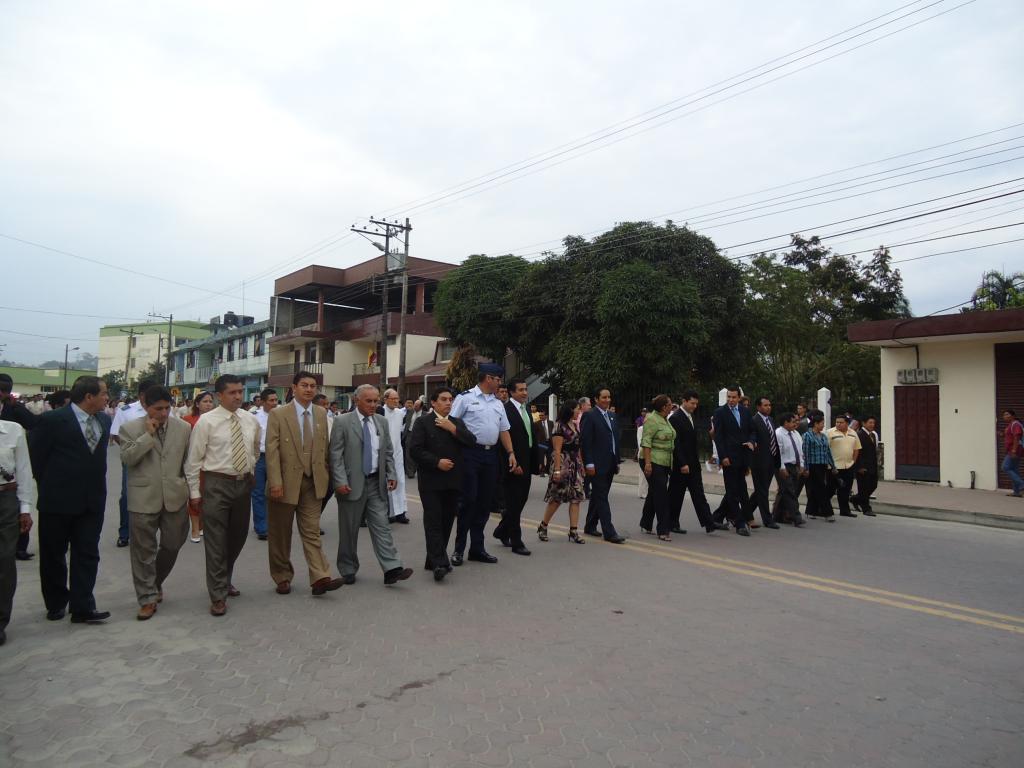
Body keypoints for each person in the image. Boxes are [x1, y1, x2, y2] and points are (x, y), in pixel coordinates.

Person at [30, 375, 112, 624]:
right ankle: (56, 603)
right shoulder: (52, 420)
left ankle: (82, 606)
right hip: (58, 501)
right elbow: (37, 459)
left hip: (92, 500)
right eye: (104, 393)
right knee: (54, 555)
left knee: (87, 553)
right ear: (89, 396)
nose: (107, 398)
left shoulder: (104, 420)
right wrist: (51, 486)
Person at [184, 374, 261, 617]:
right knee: (216, 541)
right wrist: (194, 492)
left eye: (240, 391)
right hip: (216, 484)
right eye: (232, 392)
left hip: (243, 484)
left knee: (237, 537)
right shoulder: (206, 422)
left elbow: (255, 449)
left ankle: (225, 579)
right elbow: (193, 460)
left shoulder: (250, 419)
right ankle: (217, 594)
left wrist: (249, 470)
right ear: (220, 395)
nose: (238, 396)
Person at [118, 385, 192, 620]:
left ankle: (155, 581)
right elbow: (127, 458)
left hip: (174, 496)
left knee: (173, 543)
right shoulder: (130, 428)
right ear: (145, 406)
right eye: (157, 408)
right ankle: (147, 598)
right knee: (143, 551)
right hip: (143, 498)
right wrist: (147, 436)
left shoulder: (183, 428)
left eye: (167, 408)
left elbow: (187, 462)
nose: (163, 413)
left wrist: (191, 491)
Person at [265, 372, 342, 597]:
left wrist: (326, 473)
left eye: (313, 386)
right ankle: (282, 576)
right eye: (304, 385)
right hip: (284, 483)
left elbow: (325, 447)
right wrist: (275, 482)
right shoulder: (278, 414)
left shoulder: (321, 413)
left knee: (311, 531)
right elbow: (271, 450)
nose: (309, 389)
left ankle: (320, 577)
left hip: (313, 482)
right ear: (294, 388)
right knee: (280, 535)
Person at [330, 384, 412, 586]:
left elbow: (388, 452)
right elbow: (335, 455)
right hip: (351, 485)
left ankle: (392, 568)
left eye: (376, 401)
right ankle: (348, 568)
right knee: (349, 531)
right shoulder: (342, 421)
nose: (374, 405)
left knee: (382, 526)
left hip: (376, 483)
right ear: (357, 400)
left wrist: (391, 474)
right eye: (369, 401)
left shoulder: (381, 422)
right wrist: (340, 481)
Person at [449, 364, 517, 565]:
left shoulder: (498, 403)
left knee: (485, 503)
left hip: (491, 456)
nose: (500, 383)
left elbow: (504, 430)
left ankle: (477, 549)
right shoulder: (465, 398)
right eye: (497, 379)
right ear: (488, 378)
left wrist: (511, 453)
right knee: (468, 501)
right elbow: (451, 424)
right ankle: (459, 549)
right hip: (470, 454)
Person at [408, 386, 476, 581]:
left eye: (450, 400)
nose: (448, 403)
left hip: (453, 481)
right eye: (444, 399)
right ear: (433, 402)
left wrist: (452, 429)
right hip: (431, 481)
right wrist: (436, 462)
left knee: (446, 521)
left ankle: (433, 559)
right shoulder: (423, 422)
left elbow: (471, 441)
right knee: (433, 521)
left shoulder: (457, 422)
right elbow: (415, 450)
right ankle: (439, 563)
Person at [111, 379, 159, 548]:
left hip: (157, 460)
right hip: (133, 460)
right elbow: (116, 435)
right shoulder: (126, 411)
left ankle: (148, 532)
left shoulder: (164, 409)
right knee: (127, 495)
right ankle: (124, 533)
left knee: (154, 495)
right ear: (142, 395)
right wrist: (133, 450)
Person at [668, 390, 724, 535]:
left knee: (699, 494)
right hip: (682, 465)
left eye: (696, 404)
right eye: (692, 403)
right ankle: (672, 523)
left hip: (693, 464)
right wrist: (682, 463)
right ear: (684, 401)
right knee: (676, 495)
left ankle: (709, 523)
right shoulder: (675, 418)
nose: (694, 406)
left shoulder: (690, 416)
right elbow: (676, 444)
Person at [0, 418, 33, 644]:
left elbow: (23, 470)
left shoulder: (13, 430)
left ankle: (1, 619)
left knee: (4, 560)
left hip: (6, 500)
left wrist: (25, 508)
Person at [493, 378, 534, 556]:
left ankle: (502, 530)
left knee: (521, 501)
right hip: (513, 463)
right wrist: (512, 462)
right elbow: (503, 441)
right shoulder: (506, 410)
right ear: (511, 392)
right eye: (520, 390)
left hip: (527, 462)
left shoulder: (526, 410)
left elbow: (530, 437)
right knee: (514, 503)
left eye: (525, 389)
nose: (524, 392)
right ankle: (516, 542)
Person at [0, 373, 38, 563]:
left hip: (10, 474)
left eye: (4, 390)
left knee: (17, 514)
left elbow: (33, 423)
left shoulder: (14, 410)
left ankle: (20, 548)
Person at [536, 401, 586, 544]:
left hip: (575, 464)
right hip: (563, 464)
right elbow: (557, 450)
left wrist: (581, 465)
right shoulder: (559, 426)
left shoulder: (575, 425)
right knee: (557, 498)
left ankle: (573, 531)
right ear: (570, 410)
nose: (579, 411)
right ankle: (543, 526)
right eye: (577, 409)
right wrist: (557, 470)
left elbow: (577, 447)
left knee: (576, 497)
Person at [580, 386, 626, 543]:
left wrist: (617, 460)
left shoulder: (612, 415)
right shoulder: (589, 416)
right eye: (604, 397)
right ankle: (609, 532)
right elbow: (586, 442)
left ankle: (590, 525)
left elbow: (614, 440)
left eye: (609, 397)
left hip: (610, 463)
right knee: (601, 497)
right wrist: (589, 463)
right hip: (596, 464)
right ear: (596, 399)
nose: (607, 400)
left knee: (600, 495)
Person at [712, 386, 756, 536]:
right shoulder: (720, 412)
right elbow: (718, 437)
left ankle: (716, 517)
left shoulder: (745, 411)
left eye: (733, 397)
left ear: (739, 398)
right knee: (732, 491)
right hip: (729, 458)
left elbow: (752, 430)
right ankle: (739, 523)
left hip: (743, 457)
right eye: (729, 397)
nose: (731, 400)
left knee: (740, 489)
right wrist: (723, 456)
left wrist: (751, 441)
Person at [639, 395, 677, 541]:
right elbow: (646, 442)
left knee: (655, 491)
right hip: (652, 460)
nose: (672, 406)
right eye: (670, 404)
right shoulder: (652, 420)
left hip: (665, 461)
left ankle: (646, 523)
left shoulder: (664, 419)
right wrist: (648, 463)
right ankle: (663, 529)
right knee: (661, 495)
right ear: (663, 407)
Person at [745, 397, 781, 529]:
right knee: (762, 491)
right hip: (758, 462)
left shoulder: (770, 420)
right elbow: (752, 438)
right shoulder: (754, 421)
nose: (768, 407)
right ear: (758, 407)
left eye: (769, 405)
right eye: (765, 405)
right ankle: (768, 520)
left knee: (761, 491)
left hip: (771, 460)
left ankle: (744, 514)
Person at [251, 387, 279, 541]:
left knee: (276, 491)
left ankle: (273, 523)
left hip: (277, 458)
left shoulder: (282, 415)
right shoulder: (254, 417)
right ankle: (261, 527)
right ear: (262, 402)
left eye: (276, 400)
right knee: (258, 493)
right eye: (271, 400)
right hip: (260, 458)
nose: (274, 403)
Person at [381, 389, 410, 524]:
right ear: (385, 399)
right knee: (386, 483)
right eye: (393, 399)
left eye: (397, 398)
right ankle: (389, 513)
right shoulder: (380, 412)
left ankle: (401, 512)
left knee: (400, 481)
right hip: (383, 453)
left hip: (397, 453)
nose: (396, 401)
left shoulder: (400, 413)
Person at [772, 412, 806, 526]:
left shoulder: (796, 433)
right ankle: (796, 516)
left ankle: (777, 515)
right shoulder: (778, 434)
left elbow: (800, 450)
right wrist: (782, 467)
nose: (796, 424)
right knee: (789, 491)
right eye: (793, 422)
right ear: (785, 423)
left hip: (794, 465)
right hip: (783, 465)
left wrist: (801, 465)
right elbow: (778, 453)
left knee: (786, 491)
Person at [803, 411, 837, 522]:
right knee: (821, 488)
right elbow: (805, 453)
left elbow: (828, 452)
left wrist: (833, 466)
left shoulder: (823, 436)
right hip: (813, 466)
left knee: (815, 489)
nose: (823, 426)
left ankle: (810, 511)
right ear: (815, 424)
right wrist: (806, 468)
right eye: (822, 423)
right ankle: (828, 513)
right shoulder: (807, 436)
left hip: (823, 465)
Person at [827, 415, 861, 518]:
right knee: (830, 489)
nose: (838, 424)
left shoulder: (853, 433)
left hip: (848, 466)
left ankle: (845, 510)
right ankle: (822, 508)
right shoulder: (830, 433)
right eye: (837, 422)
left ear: (847, 423)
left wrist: (853, 462)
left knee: (845, 490)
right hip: (834, 467)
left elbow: (856, 448)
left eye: (841, 422)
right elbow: (825, 449)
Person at [853, 416, 879, 515]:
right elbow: (856, 452)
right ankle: (866, 509)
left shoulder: (873, 435)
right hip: (862, 467)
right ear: (864, 423)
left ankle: (855, 499)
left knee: (873, 485)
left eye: (873, 423)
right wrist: (859, 467)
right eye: (870, 422)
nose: (872, 425)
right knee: (863, 488)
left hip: (872, 466)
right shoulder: (859, 435)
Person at [1002, 409, 1024, 497]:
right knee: (1014, 470)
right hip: (1012, 449)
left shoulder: (1015, 424)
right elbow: (1009, 437)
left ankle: (1022, 484)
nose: (1005, 416)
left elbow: (1017, 437)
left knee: (1005, 467)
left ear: (1013, 416)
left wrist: (1014, 450)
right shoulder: (1010, 425)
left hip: (1015, 450)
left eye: (1007, 414)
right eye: (1004, 415)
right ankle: (1016, 492)